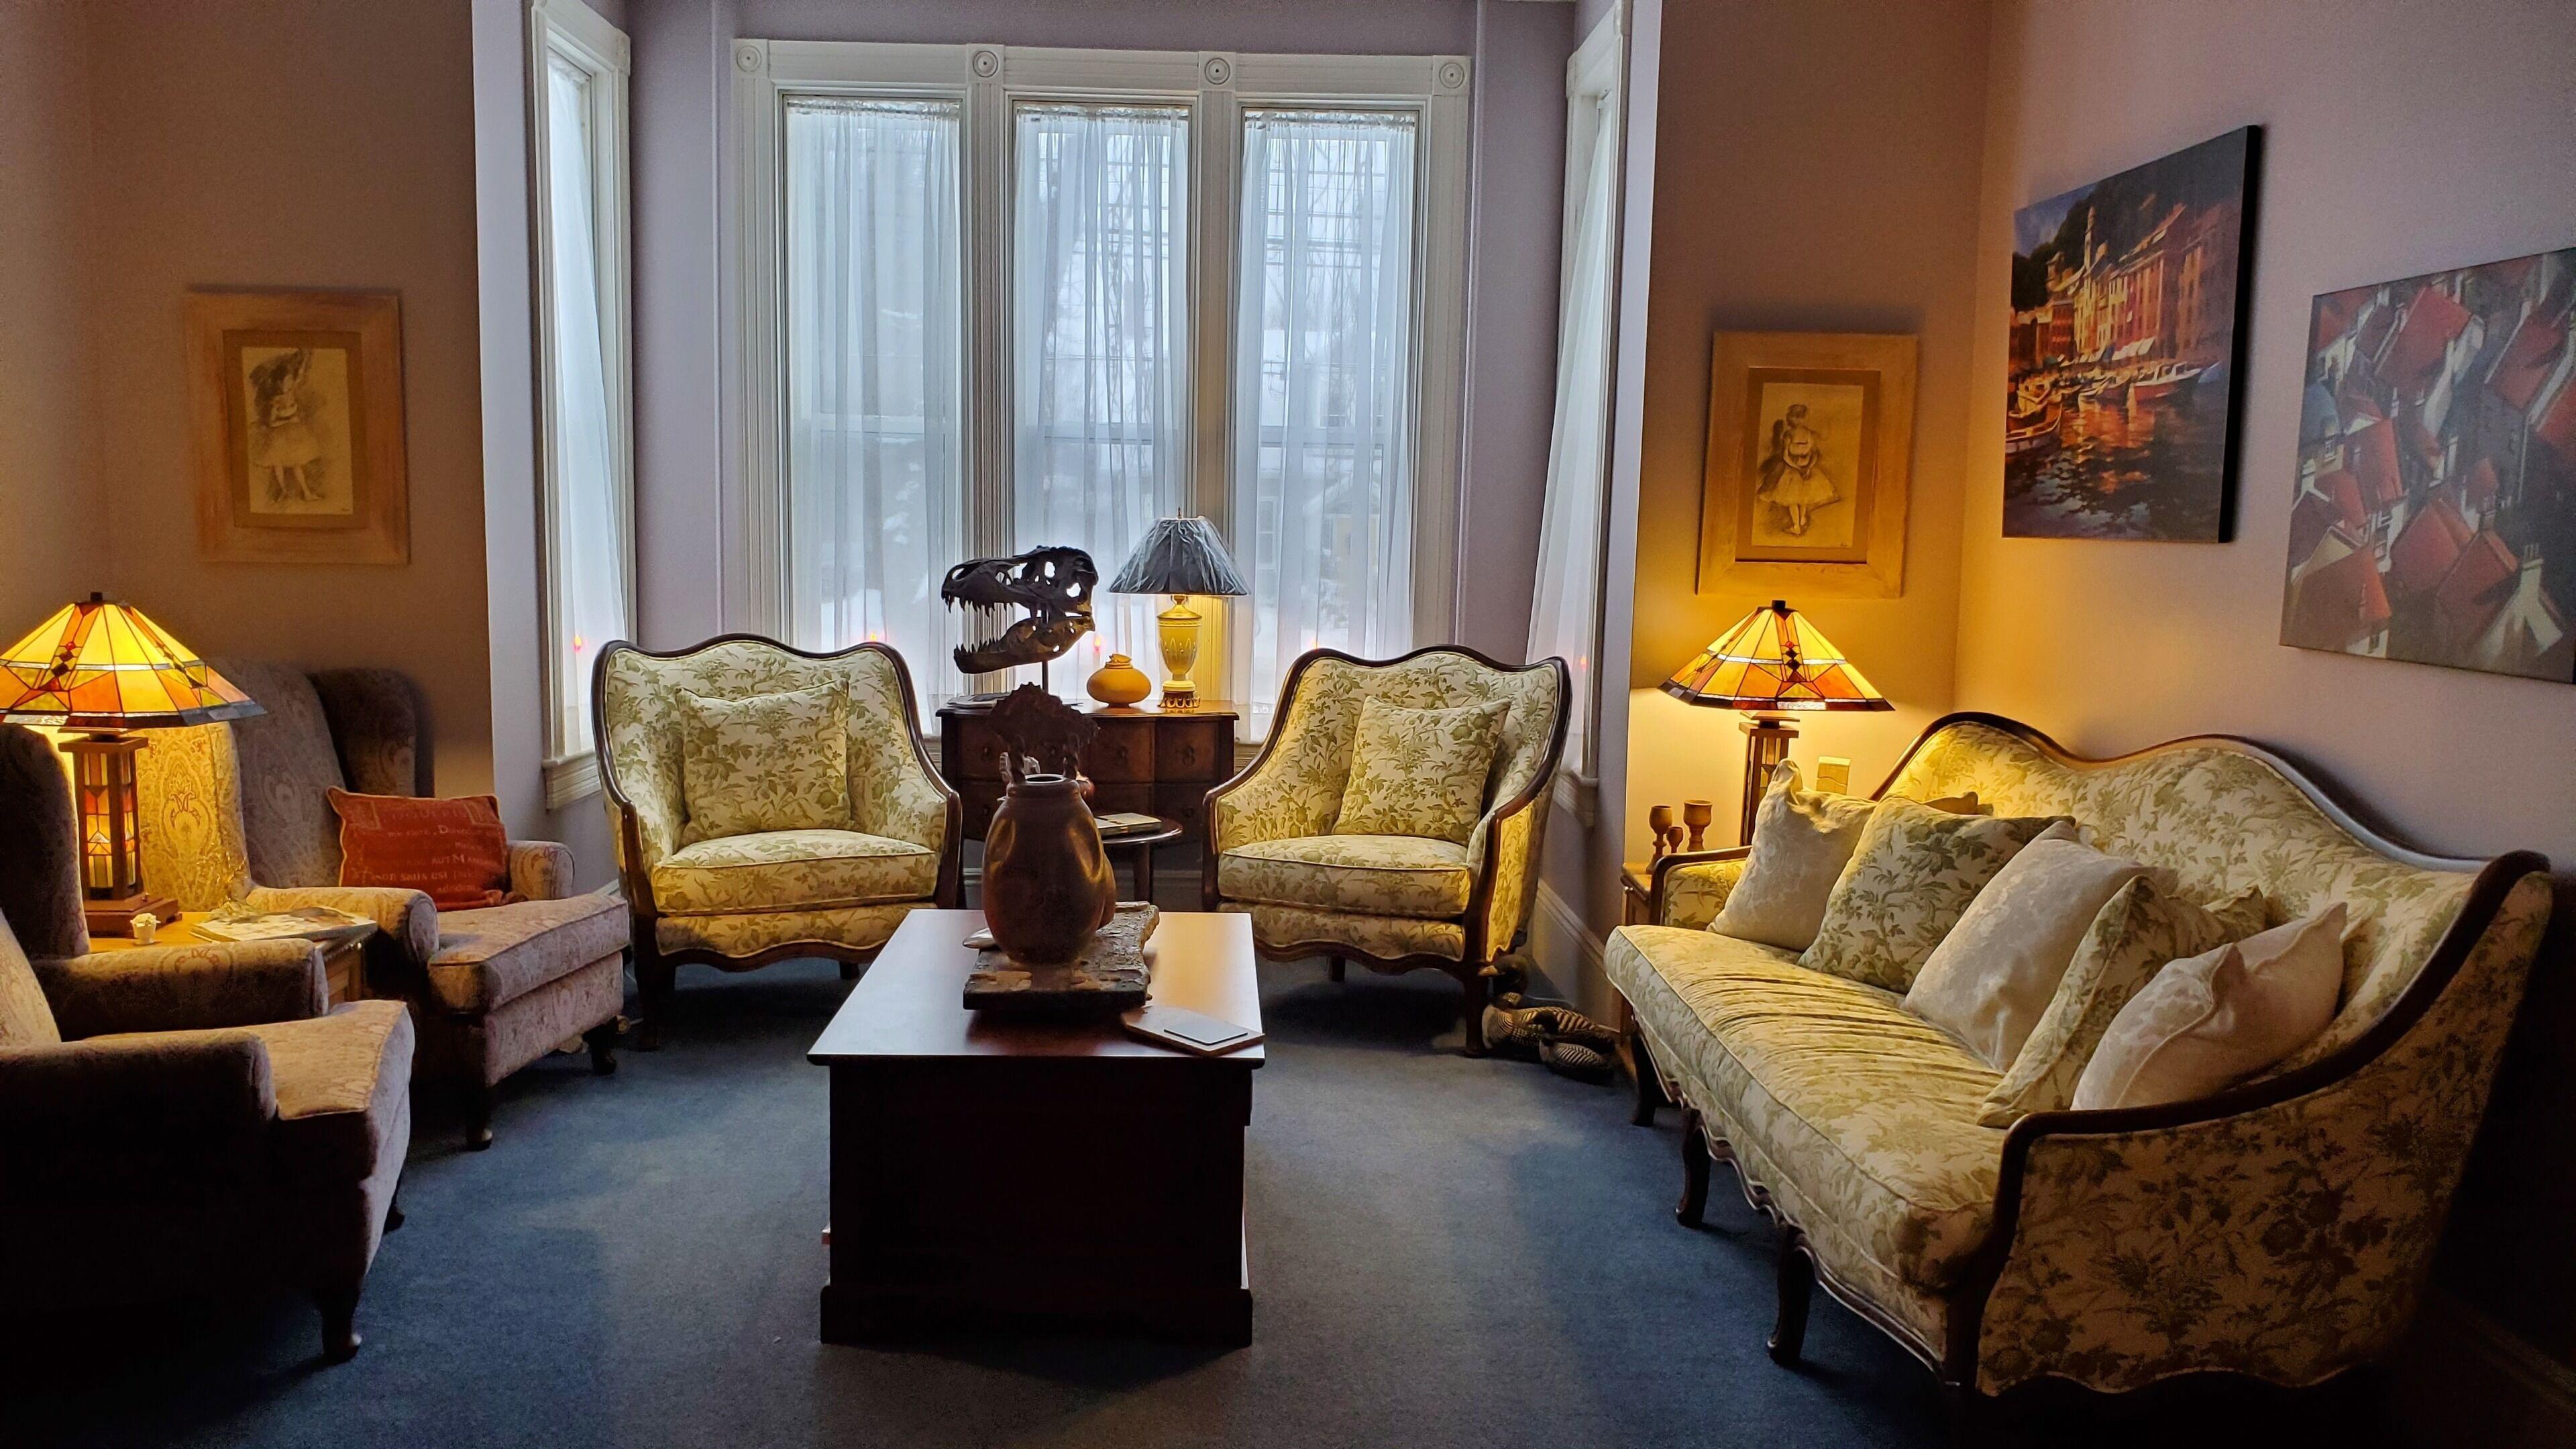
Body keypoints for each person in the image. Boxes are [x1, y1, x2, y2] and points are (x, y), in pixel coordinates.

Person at [1755, 402, 1839, 535]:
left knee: (1795, 499)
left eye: (1793, 417)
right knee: (1800, 496)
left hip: (1795, 469)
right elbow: (1810, 455)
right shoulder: (1804, 434)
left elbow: (1788, 456)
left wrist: (1803, 468)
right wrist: (1806, 467)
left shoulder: (1791, 434)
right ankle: (1801, 520)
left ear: (1798, 418)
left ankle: (1797, 525)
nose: (1791, 420)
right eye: (1792, 417)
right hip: (1800, 468)